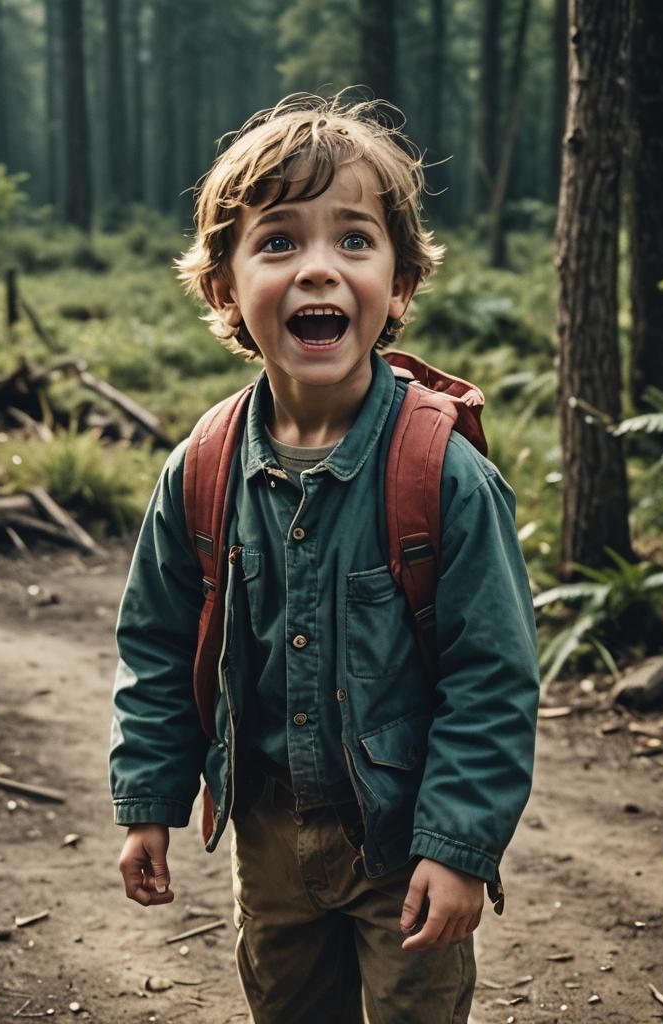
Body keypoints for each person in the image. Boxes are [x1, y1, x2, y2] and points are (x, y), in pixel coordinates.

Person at [109, 92, 540, 1023]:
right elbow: (156, 646)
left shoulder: (443, 476)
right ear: (224, 286)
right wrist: (148, 797)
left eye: (354, 240)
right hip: (267, 838)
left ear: (401, 282)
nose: (318, 269)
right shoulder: (202, 470)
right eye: (277, 242)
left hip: (403, 847)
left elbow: (492, 681)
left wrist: (460, 848)